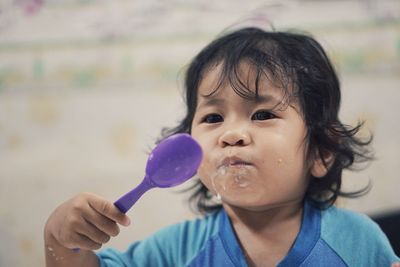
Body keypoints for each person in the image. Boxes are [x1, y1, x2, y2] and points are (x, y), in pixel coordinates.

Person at [44, 27, 400, 267]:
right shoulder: (176, 250)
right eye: (213, 118)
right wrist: (61, 240)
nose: (231, 134)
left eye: (262, 114)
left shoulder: (357, 242)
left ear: (321, 151)